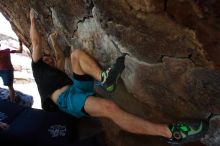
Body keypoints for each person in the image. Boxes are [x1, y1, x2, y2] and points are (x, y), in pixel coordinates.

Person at [29, 8, 208, 145]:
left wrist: (54, 43)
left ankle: (105, 80)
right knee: (109, 107)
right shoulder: (38, 68)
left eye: (49, 57)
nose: (49, 58)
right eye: (45, 58)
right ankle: (171, 133)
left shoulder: (55, 69)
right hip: (66, 100)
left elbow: (59, 57)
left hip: (76, 89)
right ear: (39, 61)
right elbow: (36, 43)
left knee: (75, 54)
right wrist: (32, 20)